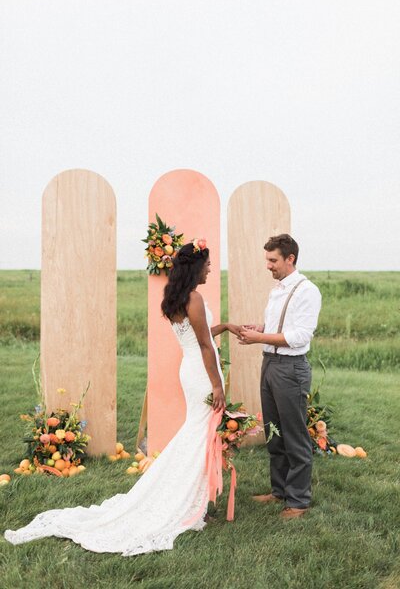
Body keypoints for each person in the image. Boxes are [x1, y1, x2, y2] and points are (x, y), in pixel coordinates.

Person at [4, 241, 240, 555]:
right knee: (198, 437)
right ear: (197, 266)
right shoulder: (194, 297)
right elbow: (206, 345)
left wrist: (226, 326)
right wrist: (218, 386)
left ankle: (192, 498)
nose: (211, 269)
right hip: (202, 373)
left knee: (197, 435)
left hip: (192, 369)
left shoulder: (177, 298)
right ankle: (185, 501)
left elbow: (201, 334)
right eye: (208, 264)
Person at [239, 234, 321, 519]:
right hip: (270, 364)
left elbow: (300, 336)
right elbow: (282, 325)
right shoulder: (278, 290)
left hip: (291, 369)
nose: (268, 266)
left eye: (273, 260)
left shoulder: (307, 290)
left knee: (294, 435)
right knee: (274, 433)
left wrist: (259, 336)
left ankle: (298, 501)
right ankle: (279, 491)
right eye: (267, 260)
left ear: (290, 259)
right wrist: (260, 327)